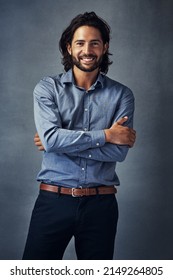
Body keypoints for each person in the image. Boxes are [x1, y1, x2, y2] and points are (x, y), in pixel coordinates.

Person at [23, 11, 136, 260]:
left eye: (95, 42)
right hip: (53, 200)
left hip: (101, 205)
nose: (88, 50)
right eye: (80, 43)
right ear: (69, 47)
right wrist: (107, 134)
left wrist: (60, 141)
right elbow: (52, 140)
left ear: (105, 47)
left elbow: (119, 151)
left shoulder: (122, 95)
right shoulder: (47, 88)